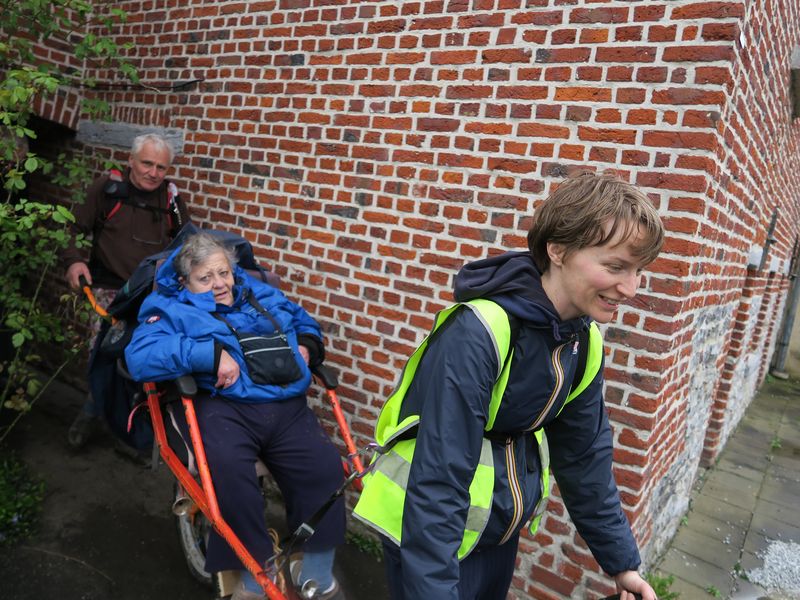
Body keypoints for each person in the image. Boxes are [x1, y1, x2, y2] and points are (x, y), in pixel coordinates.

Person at [353, 172, 665, 600]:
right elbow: (440, 478)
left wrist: (622, 563)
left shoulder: (583, 338)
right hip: (425, 537)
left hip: (492, 534)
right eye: (615, 267)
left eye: (638, 270)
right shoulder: (481, 332)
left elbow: (584, 456)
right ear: (557, 250)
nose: (631, 288)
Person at [124, 232, 346, 600]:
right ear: (185, 282)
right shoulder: (168, 306)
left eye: (223, 273)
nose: (218, 285)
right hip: (222, 406)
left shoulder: (259, 292)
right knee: (227, 474)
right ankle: (254, 573)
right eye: (205, 278)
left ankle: (317, 574)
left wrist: (308, 344)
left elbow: (301, 318)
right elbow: (141, 356)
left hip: (286, 408)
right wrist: (208, 356)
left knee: (325, 468)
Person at [62, 132, 191, 449]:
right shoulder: (107, 191)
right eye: (147, 163)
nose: (153, 172)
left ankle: (135, 428)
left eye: (161, 167)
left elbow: (188, 248)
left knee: (146, 362)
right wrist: (74, 262)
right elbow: (72, 228)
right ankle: (90, 414)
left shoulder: (172, 202)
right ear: (131, 160)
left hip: (153, 296)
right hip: (110, 292)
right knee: (105, 355)